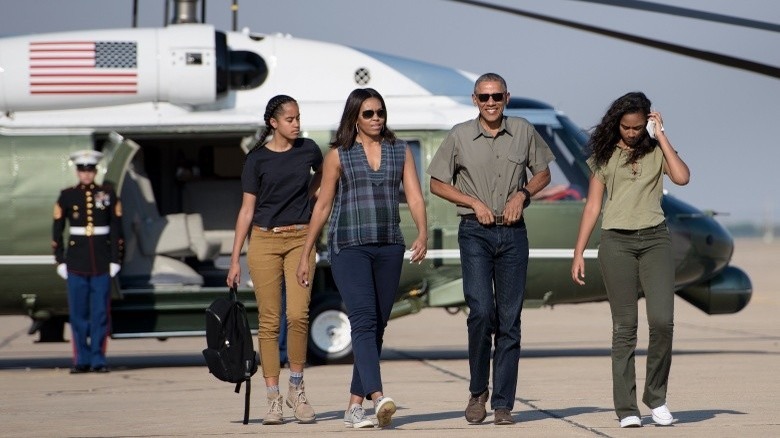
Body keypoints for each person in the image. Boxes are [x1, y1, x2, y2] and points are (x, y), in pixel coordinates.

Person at [427, 73, 555, 425]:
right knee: (482, 311)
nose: (491, 103)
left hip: (514, 234)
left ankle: (502, 404)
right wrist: (472, 201)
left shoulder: (524, 130)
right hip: (475, 232)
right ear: (474, 100)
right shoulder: (460, 135)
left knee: (510, 320)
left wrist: (523, 194)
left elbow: (543, 173)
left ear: (507, 97)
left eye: (497, 96)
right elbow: (437, 182)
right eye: (484, 97)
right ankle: (476, 392)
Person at [296, 88, 427, 429]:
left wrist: (422, 232)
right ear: (355, 117)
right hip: (349, 246)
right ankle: (376, 396)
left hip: (389, 245)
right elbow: (322, 205)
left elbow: (413, 195)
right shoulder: (339, 155)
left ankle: (353, 407)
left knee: (377, 325)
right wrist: (307, 250)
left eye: (380, 112)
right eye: (368, 113)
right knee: (364, 320)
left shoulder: (400, 151)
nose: (376, 118)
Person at [570, 91, 690, 428]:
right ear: (617, 123)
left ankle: (657, 399)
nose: (631, 133)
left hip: (655, 241)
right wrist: (579, 251)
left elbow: (682, 177)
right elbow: (593, 205)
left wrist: (661, 136)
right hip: (616, 243)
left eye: (638, 127)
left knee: (663, 322)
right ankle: (626, 409)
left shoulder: (657, 151)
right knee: (625, 328)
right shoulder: (603, 155)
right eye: (626, 127)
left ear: (648, 122)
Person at [226, 94, 323, 425]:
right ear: (274, 123)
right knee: (269, 321)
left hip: (300, 239)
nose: (297, 124)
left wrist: (311, 201)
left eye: (298, 118)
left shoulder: (309, 150)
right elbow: (246, 209)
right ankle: (273, 400)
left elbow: (325, 181)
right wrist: (235, 259)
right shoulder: (256, 160)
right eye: (290, 119)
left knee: (298, 315)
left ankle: (297, 390)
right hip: (264, 240)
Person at [52, 149, 123, 374]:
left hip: (101, 261)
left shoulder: (107, 193)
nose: (86, 174)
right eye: (83, 170)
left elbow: (116, 228)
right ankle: (81, 359)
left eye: (90, 170)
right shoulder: (67, 195)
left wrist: (115, 258)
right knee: (78, 315)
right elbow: (57, 229)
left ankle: (98, 359)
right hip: (76, 262)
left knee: (100, 313)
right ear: (77, 172)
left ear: (95, 171)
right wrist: (60, 259)